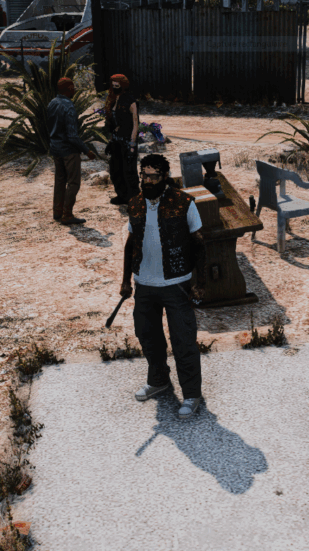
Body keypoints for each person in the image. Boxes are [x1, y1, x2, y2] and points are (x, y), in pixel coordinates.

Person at [120, 154, 207, 419]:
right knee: (148, 337)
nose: (147, 181)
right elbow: (130, 244)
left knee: (183, 340)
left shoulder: (184, 203)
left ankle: (191, 394)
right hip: (144, 284)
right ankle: (158, 381)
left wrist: (199, 282)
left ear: (165, 177)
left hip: (176, 284)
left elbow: (199, 243)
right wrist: (125, 280)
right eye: (144, 175)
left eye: (153, 176)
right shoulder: (135, 203)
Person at [47, 77, 96, 225]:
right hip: (69, 150)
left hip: (56, 148)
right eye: (73, 87)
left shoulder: (52, 103)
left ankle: (57, 212)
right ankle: (67, 214)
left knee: (60, 181)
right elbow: (72, 135)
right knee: (74, 183)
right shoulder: (68, 106)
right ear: (68, 89)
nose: (74, 89)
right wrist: (87, 151)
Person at [103, 73, 140, 205]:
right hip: (116, 141)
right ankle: (122, 195)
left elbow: (135, 124)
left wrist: (132, 143)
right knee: (115, 169)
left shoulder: (130, 101)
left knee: (129, 171)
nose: (114, 88)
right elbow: (111, 124)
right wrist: (110, 140)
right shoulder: (112, 99)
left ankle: (134, 198)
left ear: (123, 86)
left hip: (127, 140)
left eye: (117, 86)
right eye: (113, 85)